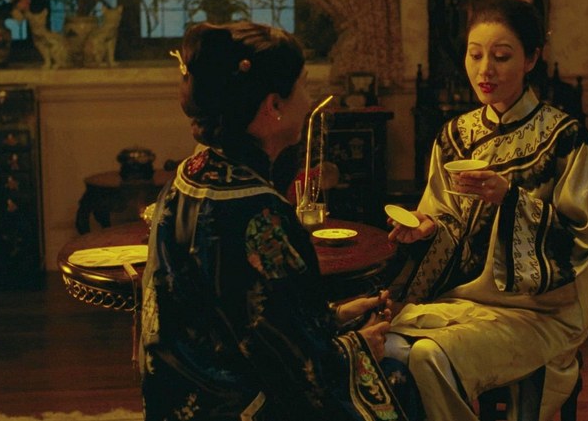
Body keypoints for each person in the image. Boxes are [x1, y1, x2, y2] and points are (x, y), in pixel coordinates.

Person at [140, 21, 411, 421]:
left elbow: (248, 320)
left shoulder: (187, 178)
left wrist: (333, 316)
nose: (309, 99)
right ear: (274, 106)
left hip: (177, 402)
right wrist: (359, 347)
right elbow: (300, 374)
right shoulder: (260, 213)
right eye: (303, 85)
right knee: (400, 377)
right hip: (236, 408)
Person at [384, 0, 588, 421]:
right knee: (387, 343)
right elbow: (445, 218)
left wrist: (511, 199)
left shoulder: (564, 137)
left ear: (531, 59)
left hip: (541, 312)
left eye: (501, 57)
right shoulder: (454, 136)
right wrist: (428, 229)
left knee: (429, 355)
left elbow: (582, 237)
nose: (485, 70)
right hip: (465, 301)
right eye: (475, 55)